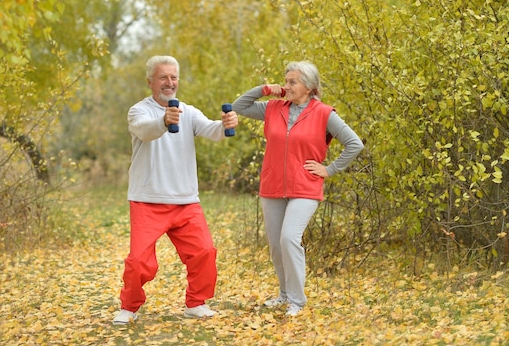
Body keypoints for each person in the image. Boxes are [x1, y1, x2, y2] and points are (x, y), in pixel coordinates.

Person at [113, 55, 239, 324]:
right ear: (150, 82)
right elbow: (146, 131)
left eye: (173, 77)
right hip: (148, 200)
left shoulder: (188, 111)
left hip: (185, 201)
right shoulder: (139, 111)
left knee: (204, 252)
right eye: (163, 77)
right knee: (139, 262)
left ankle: (196, 303)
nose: (169, 82)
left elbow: (211, 130)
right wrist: (163, 121)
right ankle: (129, 307)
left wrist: (225, 125)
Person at [232, 61, 364, 316]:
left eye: (292, 82)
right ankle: (284, 295)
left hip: (305, 186)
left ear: (309, 86)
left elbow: (354, 143)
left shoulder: (324, 113)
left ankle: (297, 300)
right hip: (272, 185)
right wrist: (266, 89)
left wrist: (330, 169)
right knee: (276, 245)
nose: (287, 86)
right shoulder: (273, 108)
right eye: (286, 80)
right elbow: (239, 107)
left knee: (289, 238)